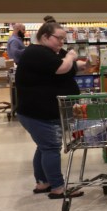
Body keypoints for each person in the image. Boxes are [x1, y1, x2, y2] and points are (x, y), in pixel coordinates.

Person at [14, 21, 85, 199]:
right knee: (51, 148)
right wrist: (70, 57)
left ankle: (42, 183)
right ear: (45, 36)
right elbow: (62, 67)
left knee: (44, 147)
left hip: (39, 111)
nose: (62, 42)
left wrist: (74, 63)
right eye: (58, 38)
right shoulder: (37, 52)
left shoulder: (48, 52)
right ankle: (58, 187)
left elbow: (65, 69)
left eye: (64, 38)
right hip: (38, 113)